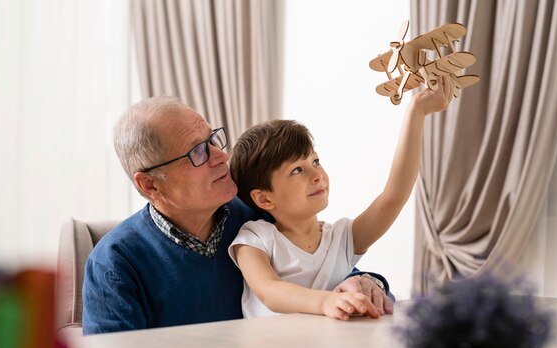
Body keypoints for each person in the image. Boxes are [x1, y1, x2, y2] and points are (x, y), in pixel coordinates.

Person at [82, 97, 389, 334]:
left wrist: (366, 281)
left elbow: (324, 272)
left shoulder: (257, 217)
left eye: (212, 140)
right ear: (150, 184)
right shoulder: (113, 265)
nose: (222, 156)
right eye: (197, 152)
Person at [228, 75, 454, 320]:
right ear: (263, 199)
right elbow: (269, 291)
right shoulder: (254, 238)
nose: (316, 175)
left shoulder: (342, 239)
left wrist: (417, 112)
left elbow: (394, 196)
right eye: (297, 170)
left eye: (315, 161)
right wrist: (327, 301)